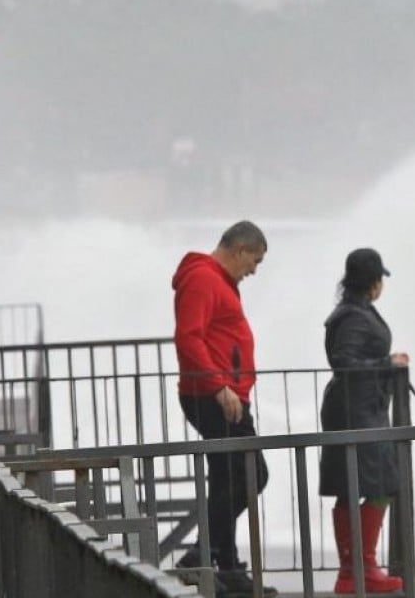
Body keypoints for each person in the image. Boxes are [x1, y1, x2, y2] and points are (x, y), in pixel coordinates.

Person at [172, 220, 276, 598]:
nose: (254, 270)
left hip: (223, 396)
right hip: (213, 397)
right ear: (241, 250)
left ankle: (226, 566)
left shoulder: (217, 279)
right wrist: (219, 386)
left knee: (229, 478)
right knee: (252, 474)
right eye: (255, 260)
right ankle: (202, 556)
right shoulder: (203, 278)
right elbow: (188, 336)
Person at [318, 248, 410, 594]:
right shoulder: (354, 316)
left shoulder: (353, 310)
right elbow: (345, 361)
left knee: (354, 486)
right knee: (380, 486)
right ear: (373, 281)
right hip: (358, 414)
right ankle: (361, 568)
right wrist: (387, 363)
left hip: (358, 410)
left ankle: (353, 571)